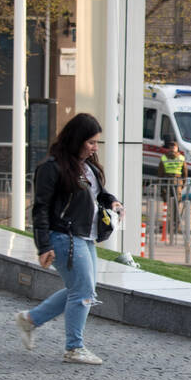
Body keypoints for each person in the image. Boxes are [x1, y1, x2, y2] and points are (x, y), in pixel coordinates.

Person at [17, 113, 123, 365]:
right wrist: (44, 245)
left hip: (85, 236)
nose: (95, 148)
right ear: (77, 139)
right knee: (83, 291)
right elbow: (40, 209)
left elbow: (98, 194)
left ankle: (30, 320)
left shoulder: (88, 167)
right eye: (91, 142)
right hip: (63, 236)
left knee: (81, 289)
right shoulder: (51, 168)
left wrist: (112, 201)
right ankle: (74, 348)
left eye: (97, 143)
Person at [158, 139, 187, 235]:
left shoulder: (164, 158)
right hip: (177, 182)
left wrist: (159, 183)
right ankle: (176, 225)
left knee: (166, 204)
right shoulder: (181, 158)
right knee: (176, 205)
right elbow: (185, 173)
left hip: (166, 182)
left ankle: (166, 224)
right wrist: (183, 183)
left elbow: (160, 172)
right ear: (177, 149)